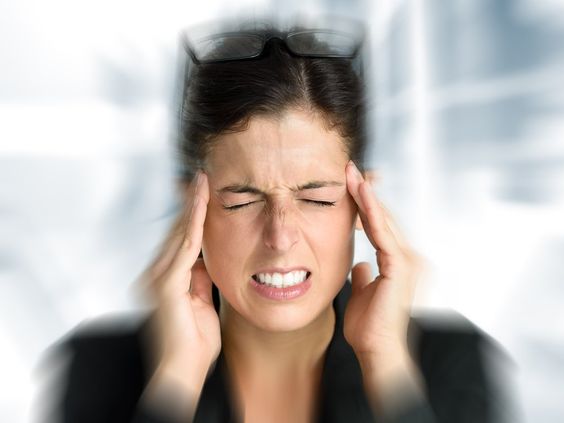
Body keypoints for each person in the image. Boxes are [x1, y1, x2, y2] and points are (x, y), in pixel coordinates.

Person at [40, 17, 513, 423]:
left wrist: (386, 363)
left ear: (362, 206)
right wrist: (178, 377)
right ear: (192, 209)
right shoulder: (101, 371)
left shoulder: (452, 363)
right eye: (242, 201)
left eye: (317, 199)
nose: (280, 237)